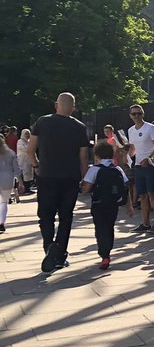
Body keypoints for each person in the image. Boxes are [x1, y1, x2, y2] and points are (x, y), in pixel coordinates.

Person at [30, 92, 90, 273]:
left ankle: (49, 246)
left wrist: (36, 166)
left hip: (47, 175)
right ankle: (60, 254)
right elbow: (83, 157)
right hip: (70, 177)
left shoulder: (42, 122)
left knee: (45, 216)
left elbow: (30, 149)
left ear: (56, 105)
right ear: (72, 108)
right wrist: (85, 179)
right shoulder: (79, 127)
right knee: (66, 217)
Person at [80, 141, 128, 270]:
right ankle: (108, 251)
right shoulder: (117, 169)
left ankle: (104, 254)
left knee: (100, 228)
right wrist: (129, 206)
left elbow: (86, 188)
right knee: (109, 226)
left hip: (98, 204)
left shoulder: (94, 169)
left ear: (97, 155)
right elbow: (124, 186)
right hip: (113, 204)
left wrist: (82, 187)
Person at [127, 103, 154, 233]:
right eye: (134, 114)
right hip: (138, 165)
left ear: (143, 114)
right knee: (142, 195)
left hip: (151, 165)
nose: (137, 116)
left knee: (152, 193)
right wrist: (127, 156)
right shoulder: (131, 130)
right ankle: (145, 222)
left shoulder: (150, 128)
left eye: (139, 113)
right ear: (130, 116)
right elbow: (133, 148)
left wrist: (149, 158)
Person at [0, 135, 22, 232]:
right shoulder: (10, 153)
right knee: (3, 202)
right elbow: (16, 169)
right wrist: (20, 182)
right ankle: (1, 222)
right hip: (7, 180)